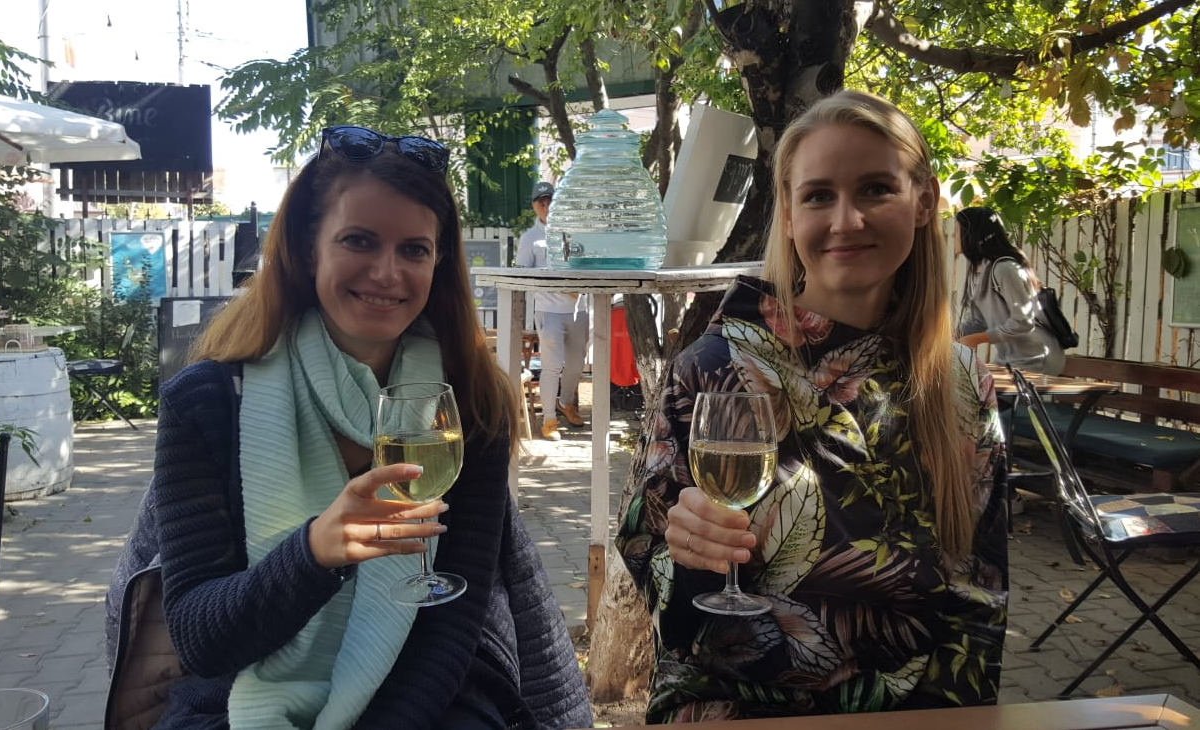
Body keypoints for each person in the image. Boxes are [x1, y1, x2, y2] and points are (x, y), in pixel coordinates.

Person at [112, 125, 591, 730]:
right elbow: (200, 641)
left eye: (414, 249)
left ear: (439, 262)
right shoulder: (205, 402)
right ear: (308, 248)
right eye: (359, 241)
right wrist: (314, 553)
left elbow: (451, 622)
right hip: (241, 695)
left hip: (430, 692)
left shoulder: (472, 402)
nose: (387, 273)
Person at [615, 90, 1009, 722]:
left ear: (924, 201)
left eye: (876, 189)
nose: (846, 220)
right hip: (740, 708)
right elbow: (656, 581)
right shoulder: (713, 369)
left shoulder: (961, 381)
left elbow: (981, 598)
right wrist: (690, 557)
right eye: (819, 195)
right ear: (790, 216)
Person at [515, 181, 589, 441]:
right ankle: (549, 420)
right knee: (551, 367)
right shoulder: (530, 238)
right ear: (534, 206)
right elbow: (523, 275)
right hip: (548, 310)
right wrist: (558, 285)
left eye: (550, 202)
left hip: (578, 309)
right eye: (541, 203)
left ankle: (565, 403)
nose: (546, 207)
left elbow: (586, 265)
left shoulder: (574, 233)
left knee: (577, 365)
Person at [955, 205, 1066, 375]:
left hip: (1037, 359)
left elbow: (1023, 321)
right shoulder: (979, 271)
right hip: (1009, 361)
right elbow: (977, 322)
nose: (954, 236)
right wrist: (944, 337)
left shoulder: (1005, 269)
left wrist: (978, 338)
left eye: (957, 231)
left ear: (971, 235)